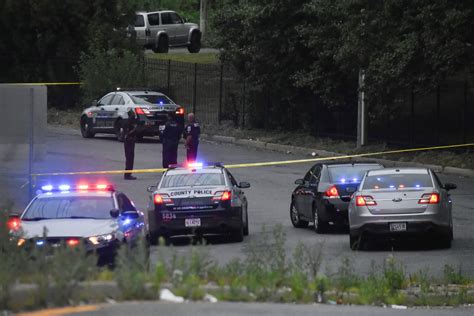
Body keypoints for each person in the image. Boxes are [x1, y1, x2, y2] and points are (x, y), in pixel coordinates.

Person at [123, 109, 138, 180]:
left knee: (131, 158)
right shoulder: (128, 122)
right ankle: (127, 174)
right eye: (133, 114)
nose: (134, 115)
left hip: (131, 141)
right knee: (129, 158)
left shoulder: (132, 121)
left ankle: (129, 173)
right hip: (129, 141)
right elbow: (127, 133)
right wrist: (134, 129)